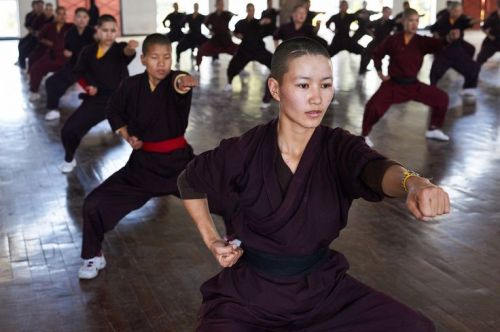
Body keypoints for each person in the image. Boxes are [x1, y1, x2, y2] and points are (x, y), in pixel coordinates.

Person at [177, 36, 449, 331]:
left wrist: (414, 182)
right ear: (275, 88)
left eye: (326, 84)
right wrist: (212, 239)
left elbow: (377, 170)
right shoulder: (243, 151)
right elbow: (190, 180)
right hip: (248, 296)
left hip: (322, 293)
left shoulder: (338, 148)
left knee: (415, 327)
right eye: (304, 85)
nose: (317, 98)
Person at [78, 33, 198, 280]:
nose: (162, 63)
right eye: (155, 57)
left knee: (229, 195)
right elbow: (113, 109)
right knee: (93, 204)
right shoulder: (131, 86)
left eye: (167, 57)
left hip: (180, 166)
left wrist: (185, 81)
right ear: (143, 59)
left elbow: (180, 84)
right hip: (143, 167)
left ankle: (239, 240)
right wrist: (126, 134)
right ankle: (92, 255)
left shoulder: (176, 79)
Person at [361, 9, 456, 147]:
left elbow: (437, 44)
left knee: (442, 98)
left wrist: (448, 38)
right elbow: (377, 54)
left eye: (416, 21)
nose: (414, 24)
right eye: (411, 20)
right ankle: (364, 136)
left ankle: (433, 129)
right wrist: (380, 71)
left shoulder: (421, 41)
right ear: (403, 21)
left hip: (413, 85)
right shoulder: (393, 40)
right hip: (393, 85)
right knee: (373, 107)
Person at [59, 15, 138, 173]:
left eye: (112, 31)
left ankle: (153, 166)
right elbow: (78, 72)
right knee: (69, 130)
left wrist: (130, 47)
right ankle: (69, 158)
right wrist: (88, 86)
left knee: (145, 131)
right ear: (97, 30)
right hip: (97, 100)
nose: (109, 34)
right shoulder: (87, 51)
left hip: (121, 101)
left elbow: (127, 52)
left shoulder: (119, 48)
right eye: (105, 30)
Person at [44, 7, 95, 121]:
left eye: (85, 17)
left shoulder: (93, 34)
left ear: (88, 19)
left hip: (89, 68)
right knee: (51, 82)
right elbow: (67, 50)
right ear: (74, 19)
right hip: (73, 66)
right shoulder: (70, 33)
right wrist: (66, 53)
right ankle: (53, 109)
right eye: (79, 16)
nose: (82, 19)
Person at [429, 3, 480, 97]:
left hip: (457, 48)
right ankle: (432, 90)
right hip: (444, 49)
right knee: (435, 73)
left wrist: (477, 20)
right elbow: (433, 28)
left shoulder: (461, 18)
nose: (458, 13)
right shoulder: (443, 19)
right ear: (450, 10)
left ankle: (468, 89)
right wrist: (437, 35)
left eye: (460, 11)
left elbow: (468, 22)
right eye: (456, 11)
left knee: (474, 68)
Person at [223, 3, 272, 94]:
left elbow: (268, 27)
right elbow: (235, 33)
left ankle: (278, 84)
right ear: (246, 10)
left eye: (252, 10)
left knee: (273, 61)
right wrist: (236, 35)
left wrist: (267, 22)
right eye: (249, 10)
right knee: (232, 65)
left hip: (258, 49)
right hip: (245, 50)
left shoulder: (258, 22)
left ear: (254, 11)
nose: (251, 12)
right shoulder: (241, 23)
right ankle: (229, 83)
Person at [28, 6, 72, 102]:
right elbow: (40, 37)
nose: (62, 16)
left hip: (66, 58)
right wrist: (48, 43)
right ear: (56, 15)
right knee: (35, 68)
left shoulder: (70, 27)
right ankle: (34, 91)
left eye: (64, 14)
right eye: (59, 14)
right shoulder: (49, 26)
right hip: (51, 55)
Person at [196, 0, 237, 68]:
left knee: (238, 51)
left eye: (222, 4)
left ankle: (239, 69)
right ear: (216, 5)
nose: (221, 6)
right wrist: (210, 30)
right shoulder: (212, 16)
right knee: (201, 50)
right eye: (220, 4)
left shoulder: (226, 14)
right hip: (215, 40)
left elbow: (232, 14)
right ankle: (197, 67)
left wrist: (234, 15)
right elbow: (206, 23)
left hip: (226, 41)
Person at [359, 6, 395, 75]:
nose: (388, 14)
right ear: (383, 12)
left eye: (389, 13)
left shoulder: (391, 22)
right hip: (377, 41)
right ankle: (362, 70)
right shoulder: (377, 21)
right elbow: (367, 27)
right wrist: (371, 34)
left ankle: (393, 73)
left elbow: (398, 26)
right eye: (387, 12)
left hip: (386, 43)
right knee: (365, 52)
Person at [27, 2, 55, 70]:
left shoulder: (54, 20)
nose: (49, 11)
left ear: (53, 11)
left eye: (50, 10)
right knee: (30, 55)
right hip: (38, 39)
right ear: (44, 10)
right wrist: (37, 33)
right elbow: (33, 28)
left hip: (49, 42)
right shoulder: (40, 18)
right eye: (47, 9)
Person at [17, 1, 44, 70]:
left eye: (41, 6)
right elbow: (27, 25)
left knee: (27, 47)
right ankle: (21, 63)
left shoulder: (44, 15)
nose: (40, 8)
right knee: (21, 43)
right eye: (38, 6)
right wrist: (33, 32)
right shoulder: (30, 15)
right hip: (33, 34)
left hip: (42, 36)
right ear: (34, 7)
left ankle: (28, 63)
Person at [476, 0, 500, 70]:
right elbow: (483, 28)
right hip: (493, 41)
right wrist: (490, 36)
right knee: (481, 57)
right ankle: (475, 71)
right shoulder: (493, 17)